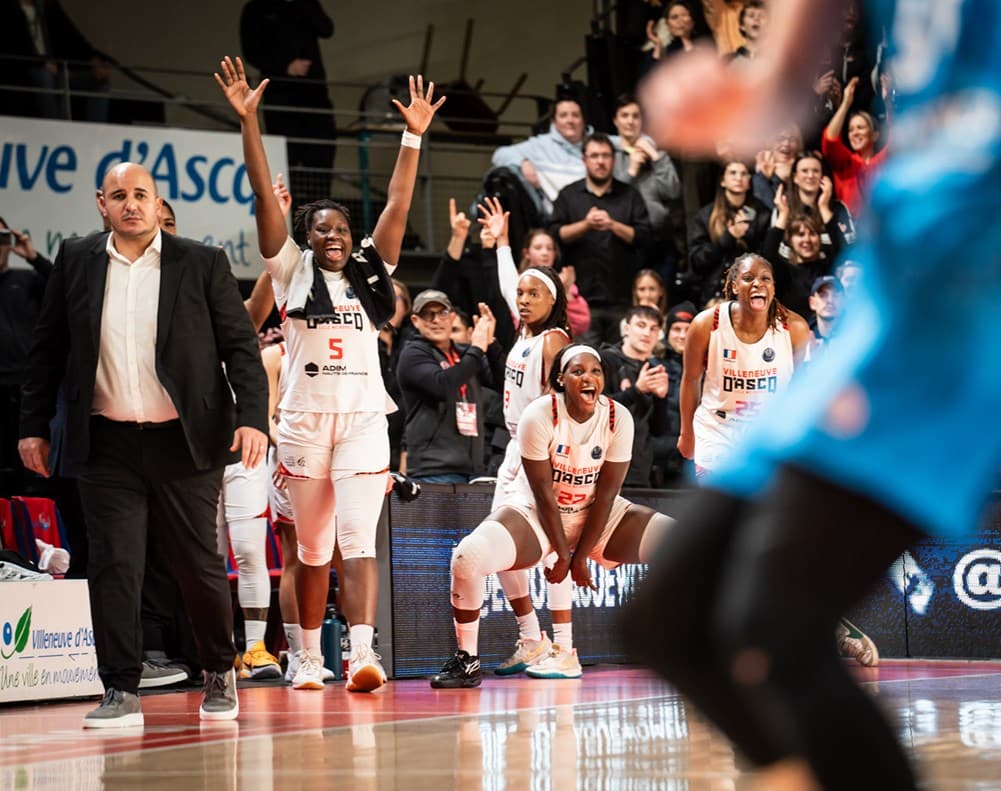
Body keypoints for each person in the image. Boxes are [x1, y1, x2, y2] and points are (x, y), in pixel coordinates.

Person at [626, 0, 1001, 787]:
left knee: (775, 628)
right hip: (893, 284)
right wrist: (767, 81)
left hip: (966, 291)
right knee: (665, 620)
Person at [216, 55, 444, 692]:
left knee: (358, 540)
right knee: (310, 552)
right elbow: (265, 194)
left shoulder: (374, 271)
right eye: (322, 228)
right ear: (306, 237)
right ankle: (306, 658)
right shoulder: (288, 271)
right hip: (303, 421)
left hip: (364, 419)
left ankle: (362, 655)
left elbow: (399, 200)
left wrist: (412, 136)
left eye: (342, 227)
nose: (334, 235)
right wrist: (249, 122)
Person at [18, 162, 269, 728]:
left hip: (184, 441)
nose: (131, 204)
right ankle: (120, 687)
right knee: (114, 565)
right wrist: (32, 425)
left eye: (141, 195)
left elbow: (240, 347)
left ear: (158, 204)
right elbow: (46, 349)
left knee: (197, 564)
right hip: (105, 441)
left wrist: (253, 418)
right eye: (119, 196)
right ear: (100, 204)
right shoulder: (77, 259)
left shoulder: (201, 262)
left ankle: (218, 669)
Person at [430, 345, 673, 688]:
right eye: (578, 372)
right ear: (561, 379)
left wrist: (581, 556)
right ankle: (467, 660)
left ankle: (705, 649)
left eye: (596, 371)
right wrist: (562, 551)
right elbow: (544, 494)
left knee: (683, 541)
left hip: (598, 515)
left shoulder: (619, 417)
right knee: (467, 558)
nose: (588, 378)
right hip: (540, 516)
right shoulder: (539, 415)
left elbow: (605, 496)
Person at [489, 256, 573, 678]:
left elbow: (565, 405)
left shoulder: (554, 341)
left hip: (541, 451)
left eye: (533, 293)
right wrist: (501, 245)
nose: (522, 299)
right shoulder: (524, 334)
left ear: (552, 299)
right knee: (499, 547)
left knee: (552, 547)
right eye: (520, 293)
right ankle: (531, 638)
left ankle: (564, 647)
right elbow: (508, 285)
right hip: (512, 449)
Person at [677, 253, 812, 476]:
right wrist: (686, 433)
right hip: (717, 429)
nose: (758, 283)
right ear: (735, 286)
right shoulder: (705, 324)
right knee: (719, 506)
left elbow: (799, 389)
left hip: (768, 431)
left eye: (765, 279)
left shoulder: (795, 328)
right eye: (748, 278)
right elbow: (691, 379)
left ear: (774, 288)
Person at [549, 132, 652, 344]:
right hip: (580, 300)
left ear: (614, 159)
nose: (600, 161)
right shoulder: (569, 195)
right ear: (584, 160)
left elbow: (644, 236)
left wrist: (613, 225)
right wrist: (585, 225)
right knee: (583, 363)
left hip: (622, 297)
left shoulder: (630, 195)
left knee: (620, 365)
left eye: (605, 156)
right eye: (594, 156)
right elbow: (555, 235)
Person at [239, 0, 337, 205]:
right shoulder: (257, 8)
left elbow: (326, 28)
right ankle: (289, 213)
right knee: (286, 160)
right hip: (280, 96)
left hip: (314, 96)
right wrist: (285, 66)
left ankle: (320, 210)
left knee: (320, 157)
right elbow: (251, 51)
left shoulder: (304, 5)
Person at [396, 290, 500, 483]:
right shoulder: (413, 354)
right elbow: (442, 386)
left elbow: (502, 383)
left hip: (473, 469)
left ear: (452, 317)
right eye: (428, 314)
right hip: (434, 470)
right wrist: (477, 349)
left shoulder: (464, 354)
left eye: (442, 313)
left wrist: (490, 343)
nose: (436, 320)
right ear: (415, 320)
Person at [0, 217, 52, 499]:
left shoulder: (28, 280)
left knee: (29, 473)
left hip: (24, 390)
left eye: (1, 238)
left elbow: (68, 290)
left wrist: (33, 257)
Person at [0, 0, 111, 121]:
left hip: (56, 71)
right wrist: (40, 63)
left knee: (99, 79)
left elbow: (73, 38)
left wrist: (93, 59)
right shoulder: (6, 8)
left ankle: (96, 132)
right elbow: (11, 46)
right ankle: (55, 128)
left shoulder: (48, 5)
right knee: (44, 76)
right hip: (22, 73)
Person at [600, 305, 670, 488]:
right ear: (626, 328)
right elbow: (596, 411)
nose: (647, 333)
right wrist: (637, 390)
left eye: (654, 328)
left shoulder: (654, 369)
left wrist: (661, 399)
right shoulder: (605, 360)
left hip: (640, 471)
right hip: (604, 466)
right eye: (641, 325)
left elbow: (658, 430)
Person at [490, 97, 590, 218]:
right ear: (554, 122)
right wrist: (523, 162)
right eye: (563, 115)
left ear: (583, 120)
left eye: (575, 115)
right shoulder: (540, 146)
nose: (570, 120)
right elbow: (499, 154)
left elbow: (619, 144)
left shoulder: (599, 145)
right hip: (556, 222)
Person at [688, 160, 770, 307]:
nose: (738, 178)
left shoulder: (762, 214)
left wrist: (748, 235)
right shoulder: (705, 215)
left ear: (749, 181)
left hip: (752, 294)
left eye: (744, 174)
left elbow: (768, 259)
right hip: (713, 295)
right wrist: (729, 236)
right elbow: (697, 261)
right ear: (722, 181)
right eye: (733, 173)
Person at [822, 76, 888, 215]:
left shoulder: (883, 162)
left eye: (860, 128)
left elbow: (898, 138)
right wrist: (845, 103)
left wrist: (887, 101)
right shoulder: (845, 163)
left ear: (874, 135)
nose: (855, 133)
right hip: (852, 233)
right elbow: (830, 138)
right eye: (851, 129)